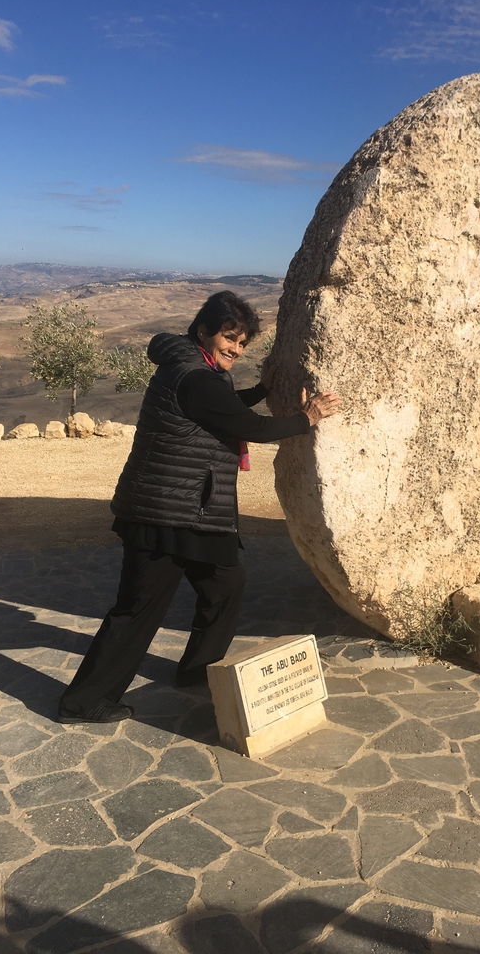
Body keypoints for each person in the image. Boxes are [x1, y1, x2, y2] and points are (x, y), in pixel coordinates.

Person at [58, 290, 340, 724]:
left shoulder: (192, 367)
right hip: (165, 513)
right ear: (203, 331)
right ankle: (83, 700)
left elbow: (222, 409)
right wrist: (308, 418)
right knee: (137, 609)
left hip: (190, 509)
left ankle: (196, 670)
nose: (236, 349)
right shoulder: (196, 378)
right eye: (229, 338)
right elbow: (250, 427)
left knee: (225, 585)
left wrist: (264, 388)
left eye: (242, 343)